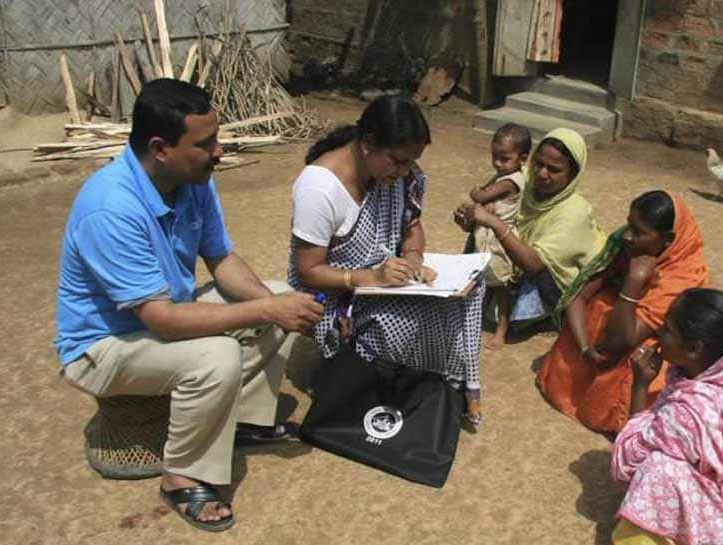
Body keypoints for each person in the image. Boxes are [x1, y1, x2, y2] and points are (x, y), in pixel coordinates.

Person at [54, 79, 323, 532]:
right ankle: (181, 474)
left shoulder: (192, 179)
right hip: (101, 347)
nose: (219, 151)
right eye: (206, 143)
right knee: (218, 353)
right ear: (160, 148)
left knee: (274, 293)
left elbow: (220, 259)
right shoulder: (110, 208)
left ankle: (245, 422)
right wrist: (267, 311)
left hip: (160, 316)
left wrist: (276, 304)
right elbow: (161, 320)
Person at [287, 95, 486, 427]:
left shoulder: (397, 177)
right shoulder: (318, 188)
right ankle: (352, 372)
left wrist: (413, 257)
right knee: (403, 323)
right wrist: (366, 278)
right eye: (398, 161)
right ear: (367, 144)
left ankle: (454, 385)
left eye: (411, 162)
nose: (406, 171)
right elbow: (307, 272)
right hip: (334, 296)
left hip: (383, 278)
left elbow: (412, 226)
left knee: (467, 293)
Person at [610, 288, 723, 545]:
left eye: (667, 330)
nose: (659, 335)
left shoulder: (690, 412)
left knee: (657, 471)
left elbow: (627, 461)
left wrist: (640, 385)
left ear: (694, 349)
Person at [537, 190, 709, 434]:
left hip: (632, 353)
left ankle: (611, 410)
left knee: (644, 344)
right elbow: (579, 297)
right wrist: (585, 348)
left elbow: (619, 341)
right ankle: (571, 386)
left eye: (639, 232)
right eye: (629, 225)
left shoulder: (682, 276)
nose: (627, 236)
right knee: (598, 306)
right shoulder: (624, 244)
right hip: (594, 348)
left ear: (667, 240)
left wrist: (634, 280)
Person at [455, 128, 606, 333]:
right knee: (484, 232)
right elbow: (485, 212)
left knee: (502, 235)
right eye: (539, 163)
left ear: (572, 174)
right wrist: (469, 220)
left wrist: (495, 223)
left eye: (554, 169)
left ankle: (538, 317)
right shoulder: (519, 180)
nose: (542, 173)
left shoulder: (573, 212)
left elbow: (534, 265)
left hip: (550, 281)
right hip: (513, 263)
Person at [461, 123, 531, 349]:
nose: (497, 163)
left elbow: (480, 195)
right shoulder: (503, 175)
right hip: (486, 238)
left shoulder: (511, 181)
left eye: (504, 158)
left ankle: (502, 328)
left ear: (522, 158)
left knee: (501, 287)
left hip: (500, 243)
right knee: (483, 282)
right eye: (494, 156)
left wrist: (475, 192)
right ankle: (475, 321)